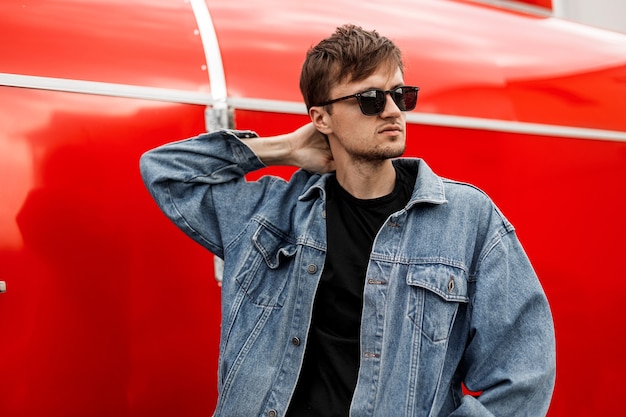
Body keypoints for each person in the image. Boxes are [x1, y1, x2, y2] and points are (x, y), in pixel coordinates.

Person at [140, 24, 556, 417]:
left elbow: (523, 373)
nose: (392, 110)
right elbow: (167, 172)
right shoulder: (272, 213)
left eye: (401, 95)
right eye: (370, 99)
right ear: (321, 119)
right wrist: (284, 148)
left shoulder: (467, 219)